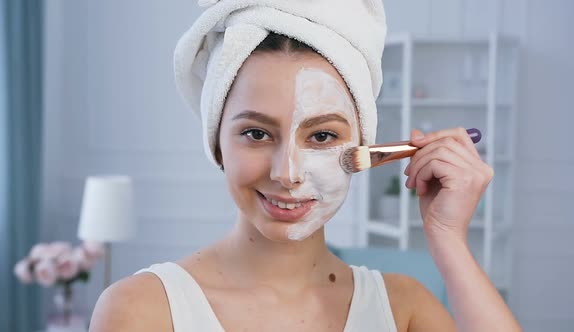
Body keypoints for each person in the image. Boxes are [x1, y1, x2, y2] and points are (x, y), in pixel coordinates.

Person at [89, 1, 521, 331]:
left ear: (362, 148)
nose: (287, 173)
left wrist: (448, 241)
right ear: (217, 142)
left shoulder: (404, 308)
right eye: (257, 134)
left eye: (322, 136)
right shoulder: (142, 309)